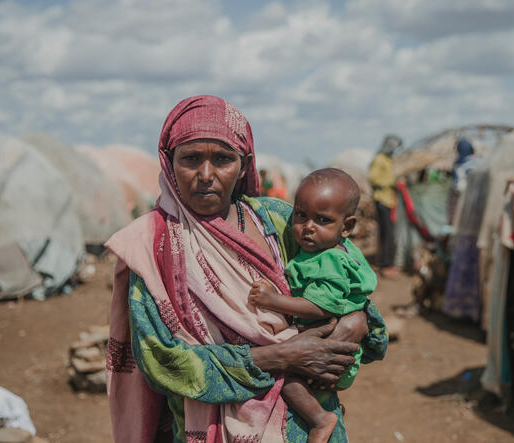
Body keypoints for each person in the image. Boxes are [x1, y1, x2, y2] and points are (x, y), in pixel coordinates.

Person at [104, 95, 388, 443]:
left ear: (243, 165)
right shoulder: (152, 246)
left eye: (223, 159)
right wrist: (278, 356)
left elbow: (347, 291)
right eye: (190, 158)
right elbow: (162, 362)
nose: (205, 175)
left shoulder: (279, 220)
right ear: (169, 162)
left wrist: (349, 326)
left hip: (307, 425)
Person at [248, 168, 376, 442]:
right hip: (333, 342)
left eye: (322, 220)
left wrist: (273, 300)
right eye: (301, 215)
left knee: (284, 375)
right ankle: (325, 408)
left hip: (330, 341)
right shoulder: (326, 250)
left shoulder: (329, 259)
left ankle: (320, 419)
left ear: (347, 227)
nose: (308, 226)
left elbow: (321, 308)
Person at [369, 135, 402, 279]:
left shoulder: (389, 160)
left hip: (389, 200)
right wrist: (390, 182)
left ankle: (386, 262)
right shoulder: (379, 160)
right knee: (387, 233)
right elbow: (373, 178)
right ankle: (386, 264)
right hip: (382, 200)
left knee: (388, 233)